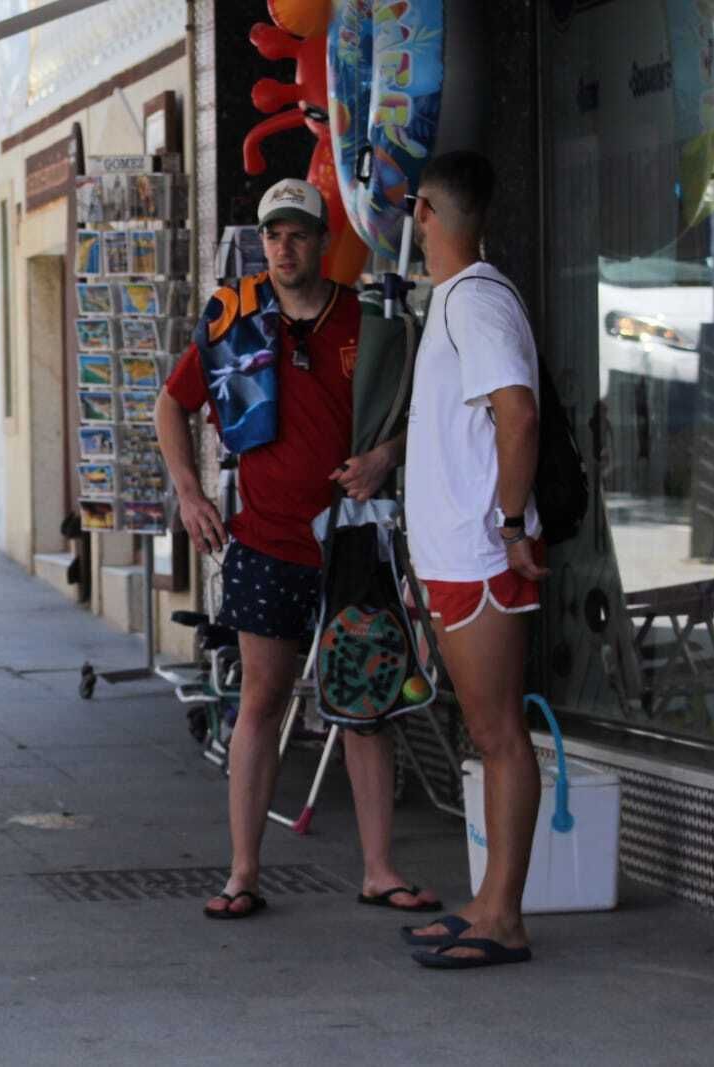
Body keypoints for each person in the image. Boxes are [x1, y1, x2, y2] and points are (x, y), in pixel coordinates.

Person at [155, 178, 436, 920]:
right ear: (262, 243)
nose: (284, 247)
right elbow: (172, 404)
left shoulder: (369, 319)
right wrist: (188, 493)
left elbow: (426, 410)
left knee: (365, 705)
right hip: (266, 542)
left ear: (321, 242)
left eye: (298, 234)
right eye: (273, 235)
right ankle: (243, 872)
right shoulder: (235, 318)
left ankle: (379, 869)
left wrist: (385, 459)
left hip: (353, 543)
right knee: (262, 701)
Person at [401, 151, 545, 970]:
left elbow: (516, 416)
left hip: (482, 555)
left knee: (499, 734)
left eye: (411, 215)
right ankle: (490, 903)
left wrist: (514, 522)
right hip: (464, 554)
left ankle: (506, 917)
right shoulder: (460, 300)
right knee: (487, 735)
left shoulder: (476, 301)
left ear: (425, 210)